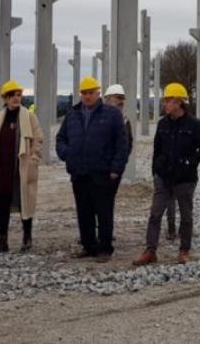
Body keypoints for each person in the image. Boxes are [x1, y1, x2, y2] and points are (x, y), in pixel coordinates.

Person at [133, 83, 200, 266]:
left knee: (186, 215)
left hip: (185, 179)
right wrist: (155, 173)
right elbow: (157, 150)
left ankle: (184, 250)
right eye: (165, 100)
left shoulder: (194, 125)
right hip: (163, 178)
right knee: (155, 214)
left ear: (178, 102)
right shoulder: (162, 124)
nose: (165, 104)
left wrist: (188, 162)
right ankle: (150, 251)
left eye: (168, 100)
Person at [55, 77, 129, 262]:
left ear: (98, 93)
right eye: (84, 93)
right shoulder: (72, 115)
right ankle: (88, 246)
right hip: (79, 172)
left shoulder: (112, 114)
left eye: (91, 93)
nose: (87, 96)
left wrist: (116, 169)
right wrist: (67, 154)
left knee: (104, 211)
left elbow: (122, 144)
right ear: (81, 94)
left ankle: (105, 248)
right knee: (84, 211)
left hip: (102, 172)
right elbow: (60, 139)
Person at [0, 80, 43, 253]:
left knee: (24, 201)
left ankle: (27, 237)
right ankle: (3, 240)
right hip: (2, 167)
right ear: (5, 98)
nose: (16, 98)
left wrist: (35, 156)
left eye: (18, 95)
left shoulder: (29, 116)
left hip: (21, 166)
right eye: (12, 95)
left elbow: (38, 137)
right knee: (2, 201)